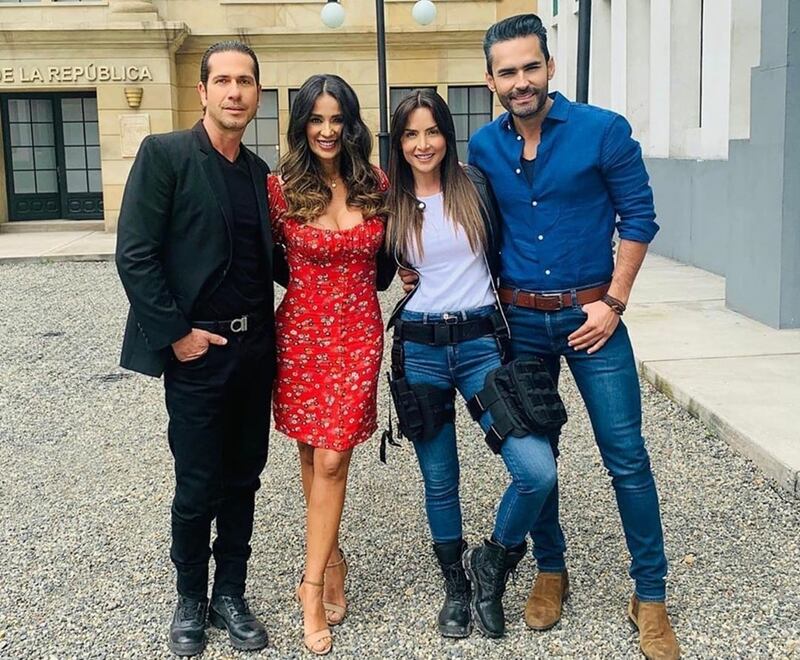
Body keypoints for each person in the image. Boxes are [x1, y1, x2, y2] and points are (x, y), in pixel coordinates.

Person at [467, 13, 680, 660]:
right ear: (491, 80)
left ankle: (651, 594)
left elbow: (639, 218)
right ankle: (551, 569)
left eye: (532, 66)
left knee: (627, 458)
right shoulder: (483, 147)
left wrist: (614, 302)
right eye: (508, 72)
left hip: (594, 319)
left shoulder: (602, 131)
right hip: (521, 323)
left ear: (550, 66)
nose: (521, 80)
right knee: (540, 458)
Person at [116, 42, 276, 655]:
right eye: (224, 81)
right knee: (197, 481)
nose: (235, 91)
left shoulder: (262, 175)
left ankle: (230, 592)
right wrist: (176, 334)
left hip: (254, 351)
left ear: (257, 94)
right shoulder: (167, 156)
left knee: (244, 479)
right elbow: (135, 252)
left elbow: (285, 259)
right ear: (203, 92)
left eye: (246, 81)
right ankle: (190, 596)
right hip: (198, 354)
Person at [384, 89, 561, 640]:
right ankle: (457, 587)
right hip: (421, 350)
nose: (422, 143)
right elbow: (370, 269)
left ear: (446, 133)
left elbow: (512, 247)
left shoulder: (474, 184)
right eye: (410, 134)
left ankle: (494, 563)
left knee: (536, 470)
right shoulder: (387, 200)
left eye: (430, 130)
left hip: (483, 345)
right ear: (400, 141)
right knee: (441, 481)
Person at [266, 74, 393, 655]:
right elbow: (261, 259)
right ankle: (332, 557)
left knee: (334, 457)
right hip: (300, 334)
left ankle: (310, 586)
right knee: (311, 455)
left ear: (350, 123)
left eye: (336, 118)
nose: (326, 130)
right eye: (315, 119)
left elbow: (398, 252)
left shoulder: (375, 184)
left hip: (358, 336)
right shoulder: (281, 189)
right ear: (301, 125)